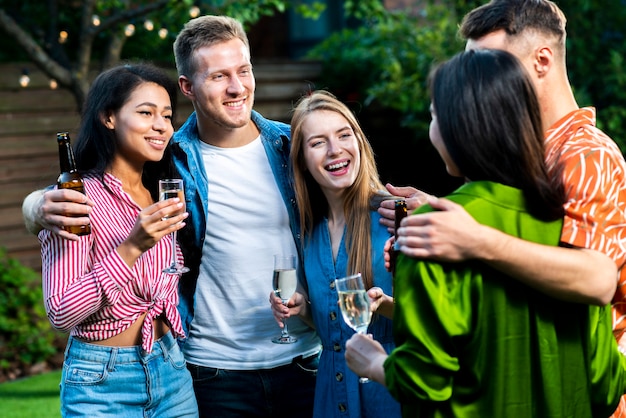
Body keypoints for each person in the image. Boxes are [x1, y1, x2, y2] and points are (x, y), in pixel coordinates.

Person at [23, 15, 321, 418]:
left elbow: (351, 190)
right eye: (218, 76)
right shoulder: (172, 162)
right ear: (188, 87)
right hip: (210, 371)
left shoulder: (292, 145)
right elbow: (91, 188)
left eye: (243, 70)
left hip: (297, 362)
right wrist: (36, 207)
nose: (237, 87)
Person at [345, 48, 626, 417]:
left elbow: (424, 383)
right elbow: (607, 388)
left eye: (433, 117)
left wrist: (374, 363)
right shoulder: (567, 228)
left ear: (456, 129)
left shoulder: (428, 232)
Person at [39, 63, 198, 417]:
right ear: (108, 117)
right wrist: (132, 246)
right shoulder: (76, 199)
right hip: (101, 380)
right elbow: (62, 311)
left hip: (170, 367)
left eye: (167, 116)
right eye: (146, 112)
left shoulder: (160, 192)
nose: (161, 126)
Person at [269, 90, 401, 418]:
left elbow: (435, 322)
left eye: (344, 135)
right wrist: (303, 309)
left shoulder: (394, 218)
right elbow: (334, 328)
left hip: (388, 395)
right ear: (301, 159)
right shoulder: (310, 232)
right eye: (317, 143)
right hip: (330, 395)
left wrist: (382, 306)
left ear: (359, 141)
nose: (335, 150)